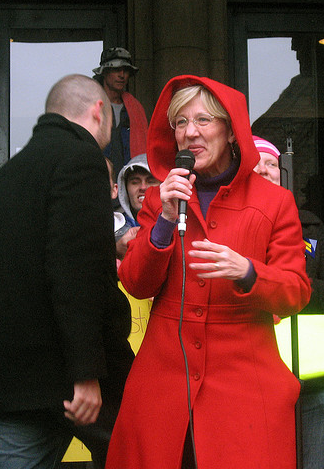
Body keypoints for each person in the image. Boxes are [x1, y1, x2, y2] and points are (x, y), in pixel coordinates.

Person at [105, 75, 311, 469]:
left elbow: (296, 291)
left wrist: (248, 271)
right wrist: (164, 221)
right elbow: (135, 281)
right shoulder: (160, 195)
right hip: (163, 386)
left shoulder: (275, 201)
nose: (189, 132)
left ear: (231, 132)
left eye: (203, 120)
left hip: (244, 387)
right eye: (180, 122)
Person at [0, 74, 134, 469]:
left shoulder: (9, 173)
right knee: (151, 452)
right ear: (99, 112)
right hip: (73, 382)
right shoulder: (82, 160)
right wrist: (86, 373)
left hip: (13, 383)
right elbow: (76, 274)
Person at [252, 135, 324, 469]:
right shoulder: (229, 226)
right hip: (254, 381)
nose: (267, 171)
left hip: (313, 380)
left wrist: (298, 288)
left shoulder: (308, 223)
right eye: (258, 163)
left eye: (273, 164)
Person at [93, 47, 148, 175]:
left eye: (126, 71)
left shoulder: (135, 108)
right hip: (98, 179)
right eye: (116, 69)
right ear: (104, 72)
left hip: (130, 181)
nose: (122, 75)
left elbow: (144, 150)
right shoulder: (90, 106)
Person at [117, 153, 160, 229]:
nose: (143, 187)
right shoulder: (115, 229)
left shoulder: (180, 227)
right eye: (135, 182)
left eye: (150, 181)